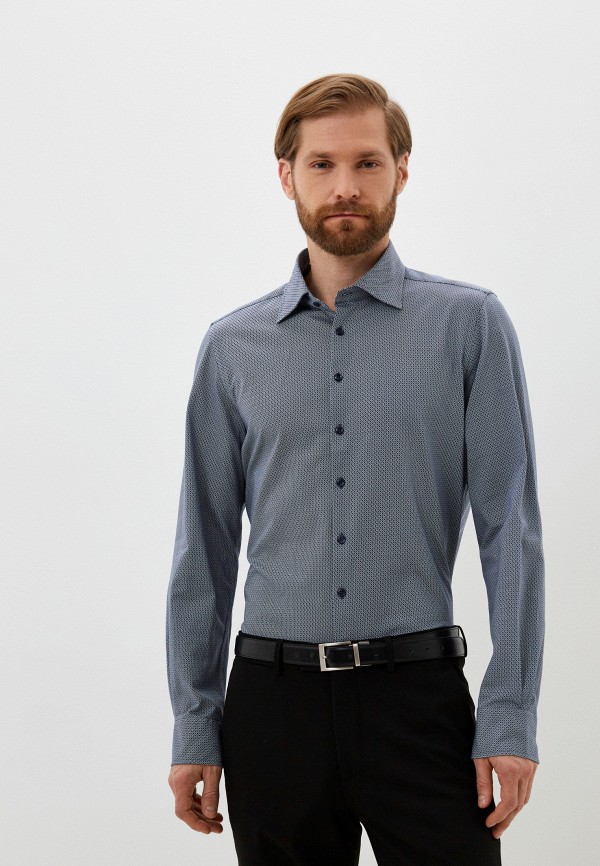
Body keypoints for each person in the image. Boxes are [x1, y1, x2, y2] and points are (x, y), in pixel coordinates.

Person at [165, 73, 545, 865]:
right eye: (322, 164)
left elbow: (511, 533)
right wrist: (195, 724)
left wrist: (509, 716)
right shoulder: (232, 348)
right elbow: (203, 549)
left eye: (367, 162)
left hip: (420, 703)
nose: (345, 186)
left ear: (401, 169)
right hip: (272, 710)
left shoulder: (469, 326)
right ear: (286, 176)